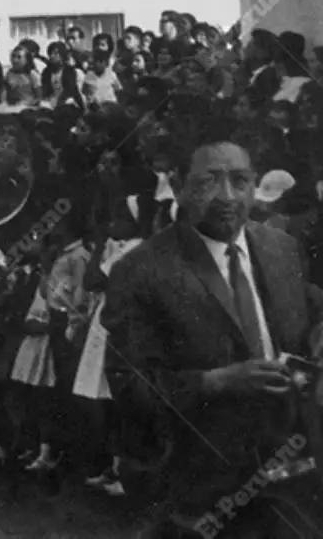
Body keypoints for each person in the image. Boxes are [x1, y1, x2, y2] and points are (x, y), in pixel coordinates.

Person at [103, 138, 323, 536]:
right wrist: (218, 381)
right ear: (181, 185)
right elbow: (130, 385)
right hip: (198, 481)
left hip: (288, 469)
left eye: (240, 181)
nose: (227, 196)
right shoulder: (140, 270)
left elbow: (303, 328)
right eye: (208, 182)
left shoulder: (283, 248)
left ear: (255, 185)